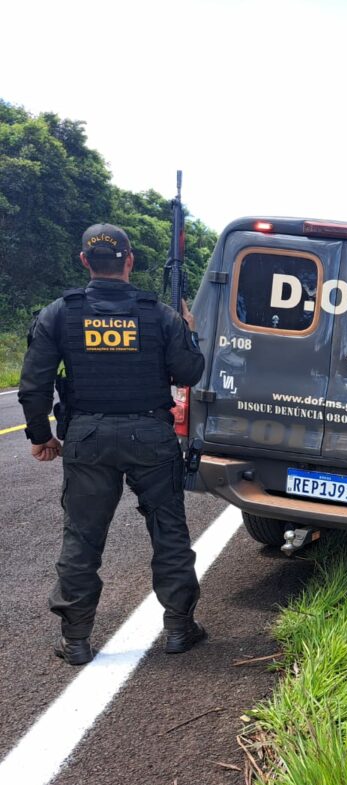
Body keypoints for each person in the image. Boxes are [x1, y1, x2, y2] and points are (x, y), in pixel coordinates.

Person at [19, 224, 207, 665]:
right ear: (130, 261)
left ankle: (77, 638)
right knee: (169, 533)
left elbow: (34, 385)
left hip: (87, 436)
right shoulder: (159, 314)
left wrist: (41, 436)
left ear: (84, 260)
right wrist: (189, 332)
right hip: (151, 436)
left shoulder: (59, 314)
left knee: (82, 538)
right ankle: (179, 628)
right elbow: (189, 373)